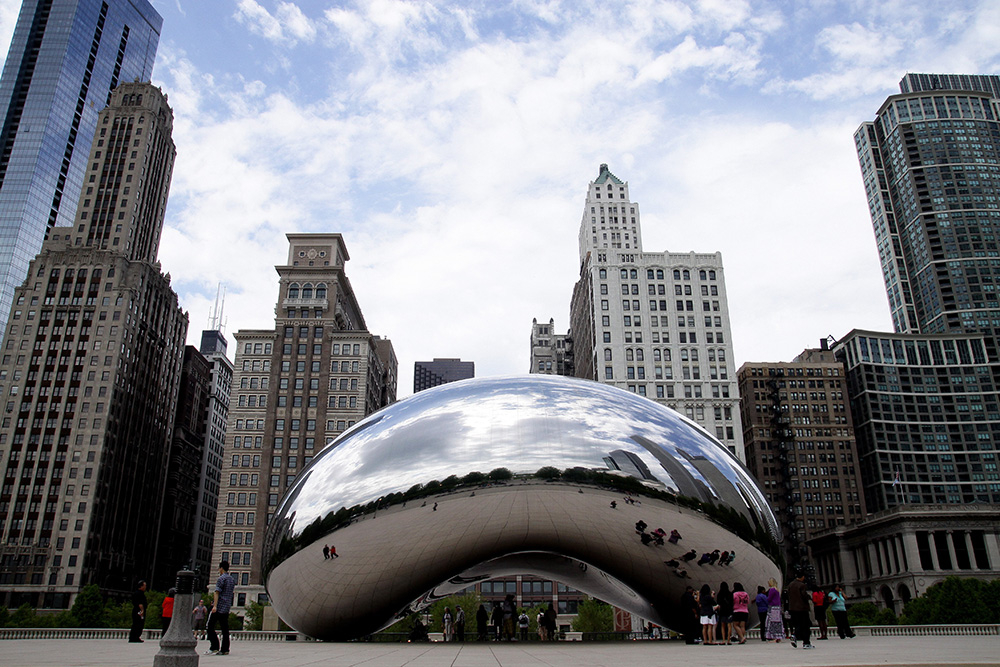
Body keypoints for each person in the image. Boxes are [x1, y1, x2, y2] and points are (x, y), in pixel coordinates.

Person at [206, 559, 236, 656]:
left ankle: (214, 646)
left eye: (219, 568)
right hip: (226, 607)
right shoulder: (231, 579)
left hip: (219, 606)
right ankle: (225, 649)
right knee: (225, 629)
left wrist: (214, 605)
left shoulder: (221, 579)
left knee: (209, 626)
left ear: (221, 568)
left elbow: (217, 592)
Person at [788, 570, 814, 649]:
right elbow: (804, 596)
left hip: (792, 608)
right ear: (802, 577)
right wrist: (809, 597)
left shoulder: (791, 585)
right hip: (801, 608)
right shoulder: (802, 585)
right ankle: (806, 642)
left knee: (797, 624)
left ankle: (794, 635)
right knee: (805, 626)